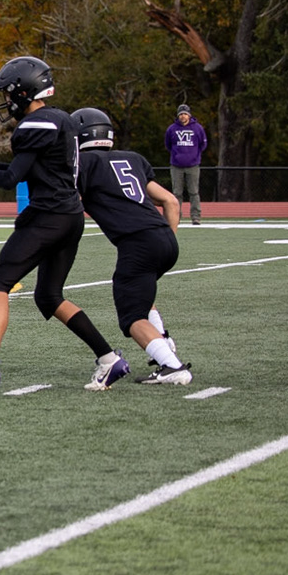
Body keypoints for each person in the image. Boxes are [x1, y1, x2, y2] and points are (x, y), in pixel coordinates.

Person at [0, 56, 129, 395]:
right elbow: (31, 168)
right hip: (70, 217)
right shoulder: (61, 119)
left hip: (47, 218)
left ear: (23, 93)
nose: (6, 102)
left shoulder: (34, 125)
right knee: (49, 296)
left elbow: (12, 178)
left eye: (9, 95)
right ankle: (108, 357)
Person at [72, 108, 193, 384]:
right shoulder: (133, 158)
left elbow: (71, 206)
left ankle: (172, 366)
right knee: (141, 294)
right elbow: (171, 202)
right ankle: (162, 342)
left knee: (131, 318)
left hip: (137, 243)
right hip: (164, 238)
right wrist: (167, 237)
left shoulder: (83, 164)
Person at [163, 105, 206, 227]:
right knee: (177, 193)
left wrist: (194, 156)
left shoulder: (197, 128)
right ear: (178, 116)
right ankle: (176, 217)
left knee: (194, 192)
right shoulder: (172, 129)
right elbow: (168, 145)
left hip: (193, 165)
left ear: (189, 115)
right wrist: (177, 156)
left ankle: (196, 217)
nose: (183, 116)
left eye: (185, 114)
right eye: (181, 114)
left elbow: (203, 144)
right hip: (176, 165)